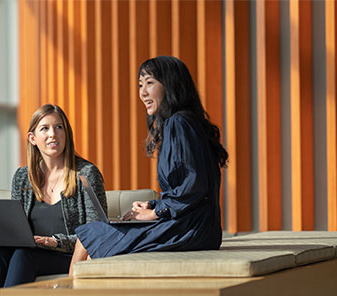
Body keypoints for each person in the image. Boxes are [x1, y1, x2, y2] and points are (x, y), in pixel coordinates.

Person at [69, 56, 229, 275]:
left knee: (90, 234)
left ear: (171, 84)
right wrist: (153, 206)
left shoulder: (178, 123)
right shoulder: (187, 122)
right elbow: (187, 189)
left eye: (150, 83)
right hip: (199, 227)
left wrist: (156, 213)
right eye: (140, 85)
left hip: (190, 229)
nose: (142, 93)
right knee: (96, 239)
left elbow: (193, 188)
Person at [0, 104, 106, 296]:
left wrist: (55, 242)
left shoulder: (86, 174)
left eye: (59, 127)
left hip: (67, 255)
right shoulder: (22, 176)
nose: (53, 134)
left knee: (23, 256)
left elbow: (97, 232)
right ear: (32, 138)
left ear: (66, 134)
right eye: (45, 128)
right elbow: (15, 228)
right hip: (29, 251)